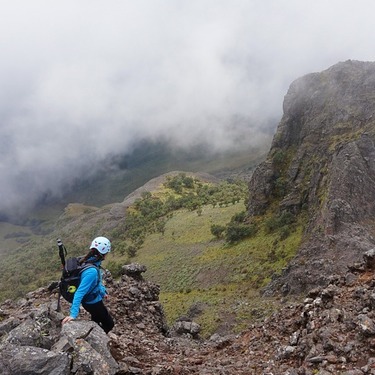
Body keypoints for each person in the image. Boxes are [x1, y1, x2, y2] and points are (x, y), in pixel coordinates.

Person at [62, 236, 114, 333]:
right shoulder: (91, 271)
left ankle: (94, 331)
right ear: (104, 253)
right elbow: (80, 292)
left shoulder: (87, 260)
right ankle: (99, 337)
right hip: (93, 302)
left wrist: (103, 293)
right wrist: (73, 315)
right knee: (109, 324)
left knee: (96, 318)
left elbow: (97, 282)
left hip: (91, 300)